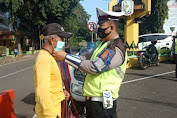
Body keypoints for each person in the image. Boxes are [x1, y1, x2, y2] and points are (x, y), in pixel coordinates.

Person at [52, 8, 127, 118]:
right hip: (93, 103)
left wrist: (66, 57)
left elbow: (94, 67)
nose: (98, 29)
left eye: (101, 26)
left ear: (111, 28)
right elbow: (84, 58)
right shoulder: (103, 45)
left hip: (102, 106)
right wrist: (66, 55)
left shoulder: (115, 48)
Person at [33, 23, 71, 118]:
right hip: (50, 114)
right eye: (61, 39)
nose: (63, 42)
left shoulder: (49, 57)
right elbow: (42, 92)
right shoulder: (44, 59)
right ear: (52, 40)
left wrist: (61, 91)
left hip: (55, 109)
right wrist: (50, 115)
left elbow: (51, 84)